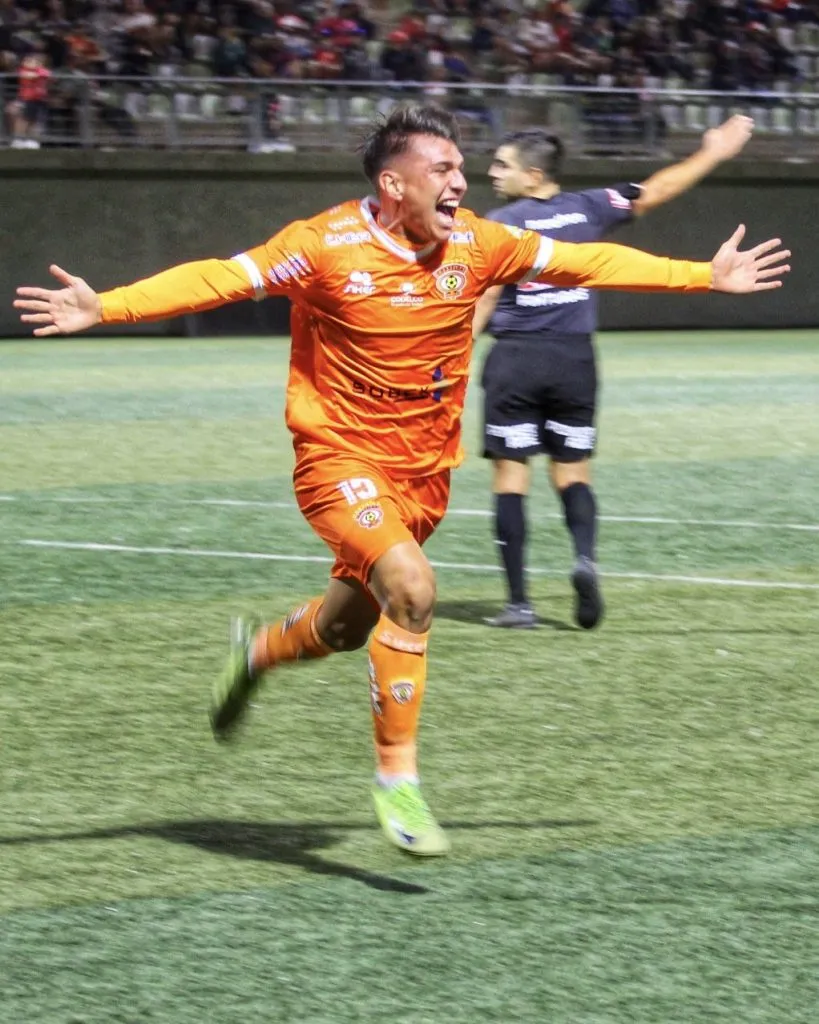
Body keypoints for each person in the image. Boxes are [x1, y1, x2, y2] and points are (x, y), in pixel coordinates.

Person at [15, 104, 788, 857]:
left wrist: (700, 277)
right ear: (394, 182)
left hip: (424, 475)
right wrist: (107, 305)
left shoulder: (481, 245)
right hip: (338, 460)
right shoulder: (321, 245)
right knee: (414, 590)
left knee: (345, 629)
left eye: (461, 167)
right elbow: (223, 277)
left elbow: (589, 260)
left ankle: (256, 653)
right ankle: (398, 781)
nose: (460, 181)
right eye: (443, 168)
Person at [474, 117, 754, 631]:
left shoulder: (498, 223)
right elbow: (657, 190)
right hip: (576, 359)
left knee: (512, 477)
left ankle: (519, 604)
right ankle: (584, 558)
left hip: (516, 358)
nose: (492, 172)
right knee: (573, 473)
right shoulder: (591, 206)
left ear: (533, 176)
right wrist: (712, 152)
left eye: (502, 165)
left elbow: (487, 294)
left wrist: (452, 353)